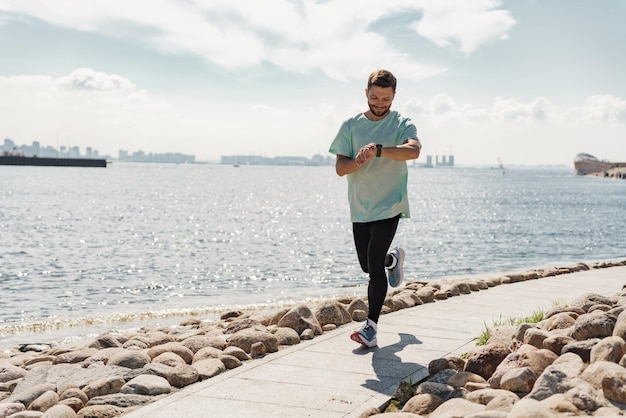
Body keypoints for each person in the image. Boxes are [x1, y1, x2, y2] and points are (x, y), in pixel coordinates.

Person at [328, 69, 421, 348]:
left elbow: (413, 150)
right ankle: (392, 261)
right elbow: (340, 169)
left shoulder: (401, 122)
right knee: (368, 263)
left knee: (373, 270)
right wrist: (359, 160)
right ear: (366, 93)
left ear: (394, 96)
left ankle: (371, 328)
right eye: (375, 96)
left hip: (390, 203)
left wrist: (379, 150)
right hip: (360, 207)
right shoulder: (350, 126)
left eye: (386, 98)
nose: (380, 102)